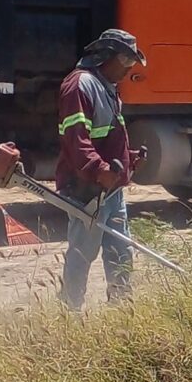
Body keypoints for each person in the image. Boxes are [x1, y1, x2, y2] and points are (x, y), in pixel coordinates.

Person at [57, 28, 146, 309]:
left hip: (112, 190)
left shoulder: (107, 87)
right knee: (82, 254)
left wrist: (128, 159)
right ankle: (69, 312)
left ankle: (121, 312)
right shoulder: (79, 86)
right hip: (87, 189)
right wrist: (99, 170)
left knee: (121, 253)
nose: (129, 70)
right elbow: (76, 139)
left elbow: (105, 136)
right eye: (127, 62)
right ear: (107, 56)